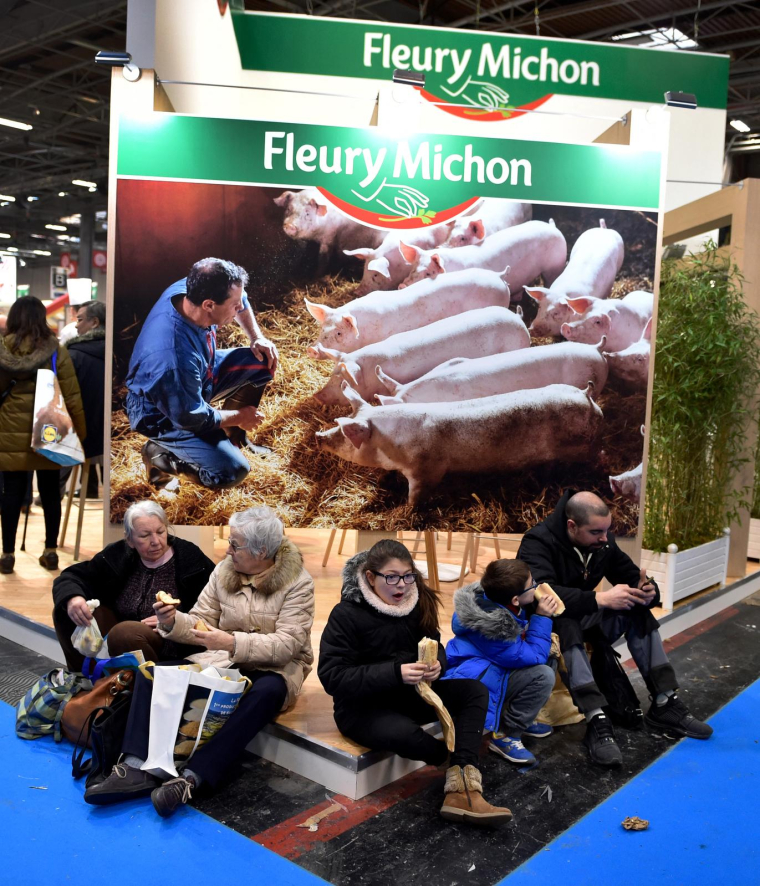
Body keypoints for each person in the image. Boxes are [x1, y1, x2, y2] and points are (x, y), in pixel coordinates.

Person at [84, 506, 315, 818]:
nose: (228, 549)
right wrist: (172, 621)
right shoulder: (224, 570)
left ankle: (192, 778)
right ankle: (135, 766)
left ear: (262, 551)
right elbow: (201, 622)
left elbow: (288, 645)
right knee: (154, 674)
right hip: (221, 656)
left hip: (275, 666)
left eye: (235, 544)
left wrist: (231, 642)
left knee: (268, 693)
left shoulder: (299, 583)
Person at [319, 538, 512, 826]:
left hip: (413, 694)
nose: (402, 585)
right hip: (362, 707)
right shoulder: (347, 614)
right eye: (392, 577)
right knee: (403, 733)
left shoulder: (416, 602)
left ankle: (464, 783)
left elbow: (436, 644)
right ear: (370, 578)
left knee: (474, 691)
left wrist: (438, 665)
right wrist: (395, 672)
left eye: (408, 576)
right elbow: (333, 677)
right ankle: (452, 767)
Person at [517, 490, 713, 768]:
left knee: (635, 608)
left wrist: (649, 591)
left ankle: (664, 701)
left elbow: (632, 576)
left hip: (586, 620)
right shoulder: (537, 542)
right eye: (596, 532)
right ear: (572, 526)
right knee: (566, 620)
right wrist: (601, 598)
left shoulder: (602, 542)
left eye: (607, 531)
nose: (604, 538)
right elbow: (544, 596)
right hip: (542, 628)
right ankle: (595, 717)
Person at [126, 258, 279, 491]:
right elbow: (192, 417)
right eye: (234, 305)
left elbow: (242, 298)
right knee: (231, 471)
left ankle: (233, 438)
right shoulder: (173, 357)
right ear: (209, 305)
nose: (240, 308)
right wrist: (240, 415)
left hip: (199, 374)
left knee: (262, 363)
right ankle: (160, 456)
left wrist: (256, 337)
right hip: (162, 412)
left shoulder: (193, 289)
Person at [52, 500, 214, 671]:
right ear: (130, 540)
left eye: (161, 532)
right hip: (117, 631)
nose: (156, 541)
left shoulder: (191, 560)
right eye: (145, 536)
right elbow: (72, 576)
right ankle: (85, 680)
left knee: (125, 634)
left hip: (169, 641)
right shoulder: (119, 554)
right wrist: (73, 598)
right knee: (69, 609)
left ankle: (150, 685)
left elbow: (212, 608)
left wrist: (174, 621)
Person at [0, 295, 86, 573]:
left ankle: (7, 554)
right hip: (49, 428)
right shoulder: (55, 351)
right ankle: (50, 551)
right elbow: (71, 396)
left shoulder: (2, 349)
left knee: (11, 493)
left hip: (10, 429)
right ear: (41, 318)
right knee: (50, 492)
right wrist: (80, 434)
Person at [443, 558, 558, 767]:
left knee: (549, 657)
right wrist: (542, 617)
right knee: (543, 673)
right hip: (478, 682)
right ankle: (507, 734)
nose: (537, 586)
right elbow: (535, 656)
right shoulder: (495, 629)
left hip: (491, 668)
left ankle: (524, 717)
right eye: (532, 585)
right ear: (515, 600)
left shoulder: (489, 600)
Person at [63, 300, 106, 498]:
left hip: (77, 432)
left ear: (95, 322)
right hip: (116, 435)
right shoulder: (123, 353)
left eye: (80, 319)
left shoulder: (72, 355)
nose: (76, 325)